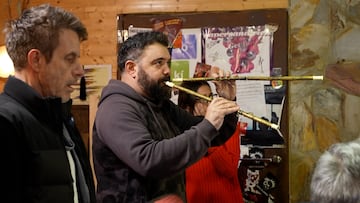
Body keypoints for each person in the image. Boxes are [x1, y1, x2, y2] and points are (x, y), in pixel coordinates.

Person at [92, 31, 240, 203]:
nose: (167, 70)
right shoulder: (116, 108)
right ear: (132, 68)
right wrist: (208, 124)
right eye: (158, 63)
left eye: (168, 63)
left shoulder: (161, 105)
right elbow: (149, 159)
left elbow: (212, 135)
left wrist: (227, 100)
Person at [0, 4, 96, 203]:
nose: (79, 71)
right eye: (70, 59)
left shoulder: (61, 117)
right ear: (36, 60)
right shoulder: (5, 123)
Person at [178, 81, 244, 203]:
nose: (210, 103)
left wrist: (207, 132)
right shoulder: (181, 133)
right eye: (202, 99)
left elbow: (229, 168)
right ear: (187, 107)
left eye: (210, 97)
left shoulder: (228, 126)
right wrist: (201, 130)